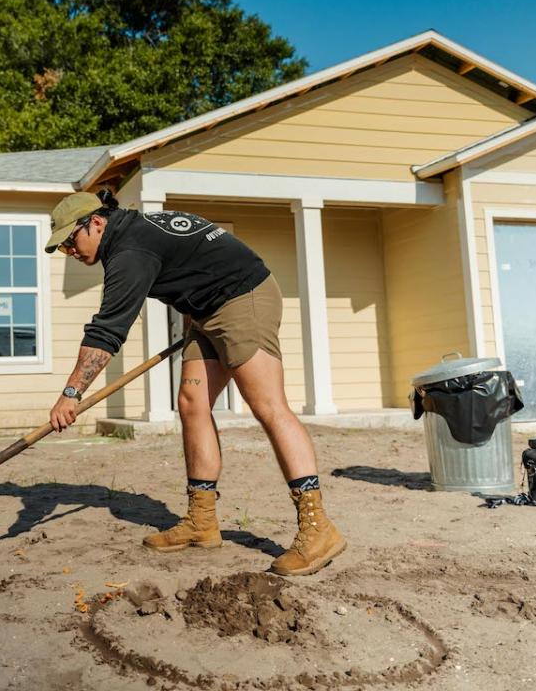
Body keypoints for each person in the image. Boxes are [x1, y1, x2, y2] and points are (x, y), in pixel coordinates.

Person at [44, 190, 346, 576]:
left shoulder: (129, 253)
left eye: (72, 241)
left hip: (243, 298)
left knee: (267, 405)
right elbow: (196, 260)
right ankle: (202, 521)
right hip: (208, 308)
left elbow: (106, 333)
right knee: (191, 403)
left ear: (97, 223)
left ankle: (318, 528)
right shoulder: (134, 232)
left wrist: (71, 394)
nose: (72, 251)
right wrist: (196, 306)